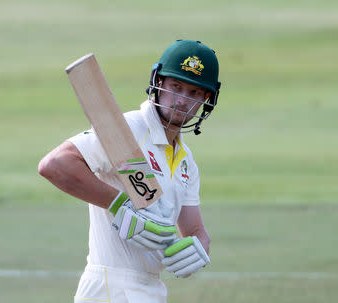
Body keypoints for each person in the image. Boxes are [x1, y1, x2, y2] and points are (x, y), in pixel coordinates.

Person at [38, 39, 221, 303]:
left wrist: (198, 248)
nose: (182, 100)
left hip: (151, 289)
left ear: (206, 99)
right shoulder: (125, 130)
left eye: (194, 93)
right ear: (159, 83)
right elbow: (55, 165)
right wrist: (120, 205)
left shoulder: (186, 161)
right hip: (109, 286)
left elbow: (194, 229)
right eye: (176, 87)